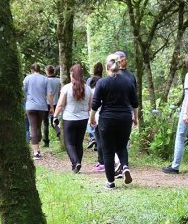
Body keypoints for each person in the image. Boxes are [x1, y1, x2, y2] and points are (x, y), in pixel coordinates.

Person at [90, 54, 138, 188]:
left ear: (107, 67)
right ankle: (125, 166)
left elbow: (95, 103)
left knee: (108, 150)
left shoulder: (102, 82)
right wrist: (135, 117)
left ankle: (110, 182)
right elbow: (135, 103)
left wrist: (92, 118)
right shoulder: (128, 82)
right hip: (125, 119)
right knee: (122, 146)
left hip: (107, 119)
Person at [54, 64, 93, 173]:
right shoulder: (88, 89)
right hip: (83, 119)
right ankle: (77, 163)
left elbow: (61, 104)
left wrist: (55, 116)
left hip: (69, 119)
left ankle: (76, 163)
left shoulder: (66, 88)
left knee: (69, 143)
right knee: (78, 143)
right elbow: (90, 105)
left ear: (72, 75)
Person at [23, 63, 50, 158]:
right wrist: (51, 107)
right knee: (38, 126)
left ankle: (36, 152)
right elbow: (49, 94)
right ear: (39, 69)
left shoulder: (27, 78)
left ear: (31, 70)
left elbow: (24, 92)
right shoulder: (45, 79)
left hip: (30, 106)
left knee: (33, 127)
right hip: (42, 106)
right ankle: (37, 149)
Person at [46, 65, 62, 144]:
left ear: (47, 71)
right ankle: (59, 133)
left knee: (45, 122)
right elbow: (60, 92)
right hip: (56, 102)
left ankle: (46, 141)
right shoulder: (59, 80)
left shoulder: (45, 80)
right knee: (54, 120)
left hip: (46, 103)